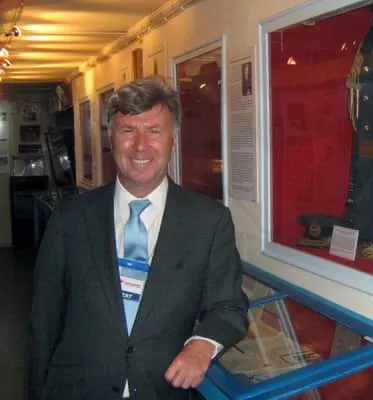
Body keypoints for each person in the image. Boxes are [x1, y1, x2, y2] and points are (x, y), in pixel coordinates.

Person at [29, 76, 249, 400]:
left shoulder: (208, 222)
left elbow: (229, 306)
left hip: (161, 390)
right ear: (112, 139)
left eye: (154, 131)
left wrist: (202, 345)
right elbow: (44, 320)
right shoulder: (70, 218)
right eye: (128, 130)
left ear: (173, 140)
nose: (140, 146)